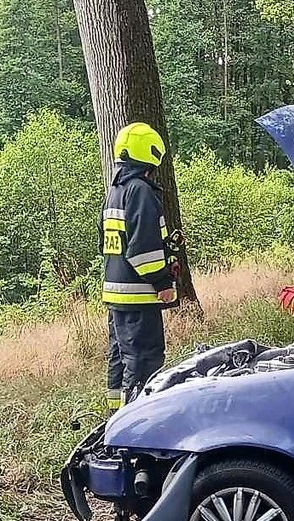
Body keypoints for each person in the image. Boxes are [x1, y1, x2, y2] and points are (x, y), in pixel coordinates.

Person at [102, 122, 177, 413]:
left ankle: (115, 414)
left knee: (120, 357)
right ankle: (137, 420)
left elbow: (110, 242)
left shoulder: (115, 191)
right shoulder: (140, 191)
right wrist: (162, 284)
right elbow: (142, 249)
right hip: (138, 295)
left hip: (116, 294)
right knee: (144, 358)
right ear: (151, 154)